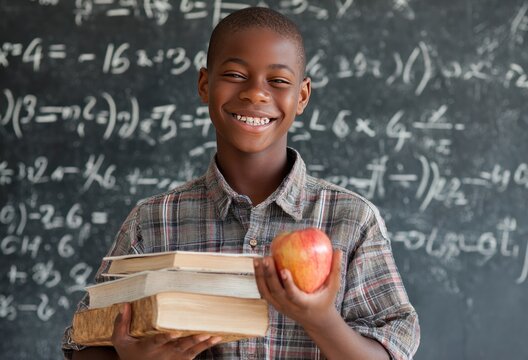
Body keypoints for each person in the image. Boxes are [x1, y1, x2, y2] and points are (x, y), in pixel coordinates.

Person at [62, 6, 420, 360]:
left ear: (302, 96)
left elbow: (392, 349)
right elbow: (84, 342)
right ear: (205, 84)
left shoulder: (351, 220)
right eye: (235, 74)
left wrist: (321, 319)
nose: (255, 93)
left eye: (278, 81)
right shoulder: (153, 221)